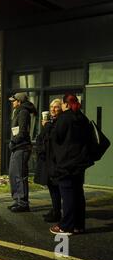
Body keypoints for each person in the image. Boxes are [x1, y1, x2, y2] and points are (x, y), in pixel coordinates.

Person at [49, 94, 94, 235]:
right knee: (78, 194)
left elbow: (56, 137)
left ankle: (66, 226)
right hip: (80, 163)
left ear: (66, 104)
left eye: (62, 104)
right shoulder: (83, 118)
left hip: (66, 162)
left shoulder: (64, 118)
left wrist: (48, 127)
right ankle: (78, 225)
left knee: (67, 194)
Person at [8, 92, 37, 213]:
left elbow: (22, 131)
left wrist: (13, 142)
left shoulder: (23, 112)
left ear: (19, 101)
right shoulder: (19, 111)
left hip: (21, 147)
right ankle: (17, 200)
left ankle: (23, 203)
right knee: (13, 174)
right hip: (17, 147)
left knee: (19, 175)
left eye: (14, 101)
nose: (12, 103)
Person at [34, 99, 63, 223]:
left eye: (56, 107)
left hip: (55, 161)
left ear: (61, 108)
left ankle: (57, 212)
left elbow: (53, 139)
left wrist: (46, 126)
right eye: (51, 107)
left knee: (56, 187)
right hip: (47, 159)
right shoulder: (51, 121)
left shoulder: (60, 122)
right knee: (51, 186)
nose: (53, 109)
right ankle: (55, 209)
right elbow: (42, 138)